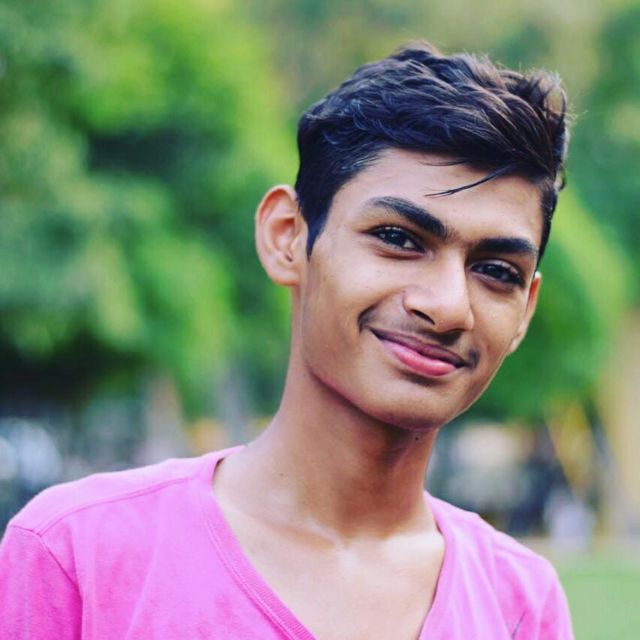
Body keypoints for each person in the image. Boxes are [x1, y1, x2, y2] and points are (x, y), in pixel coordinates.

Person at [0, 41, 573, 639]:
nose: (449, 305)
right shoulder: (79, 555)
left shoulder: (520, 604)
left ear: (524, 311)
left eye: (496, 271)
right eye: (398, 239)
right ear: (286, 237)